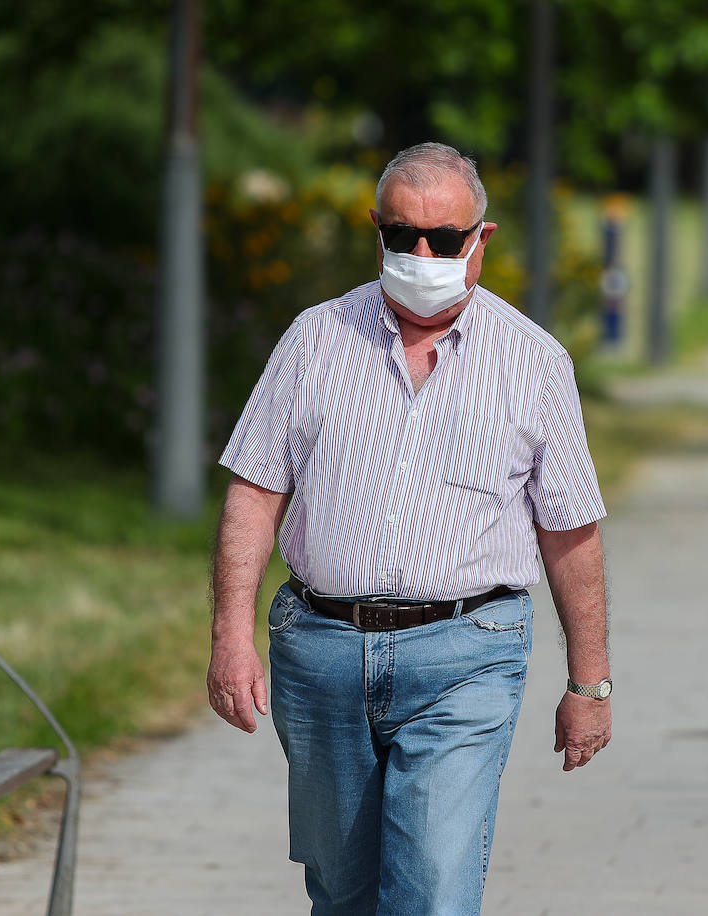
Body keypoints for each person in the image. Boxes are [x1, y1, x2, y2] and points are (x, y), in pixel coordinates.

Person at [206, 142, 612, 915]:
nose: (422, 253)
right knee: (342, 892)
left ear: (481, 241)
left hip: (467, 652)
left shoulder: (535, 361)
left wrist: (588, 683)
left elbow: (570, 533)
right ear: (375, 230)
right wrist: (231, 636)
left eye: (445, 238)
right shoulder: (315, 339)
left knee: (430, 892)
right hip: (320, 651)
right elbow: (254, 494)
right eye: (401, 235)